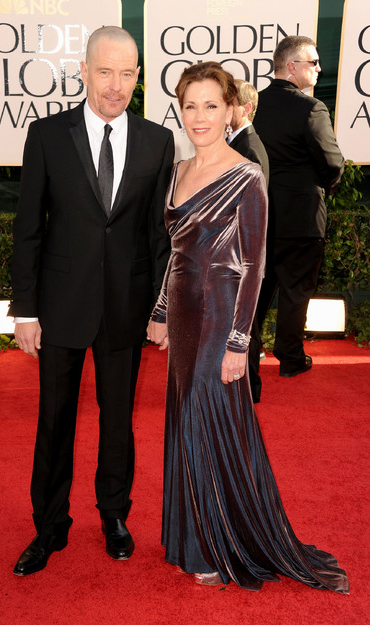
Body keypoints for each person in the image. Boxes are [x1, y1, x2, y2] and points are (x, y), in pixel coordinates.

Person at [147, 61, 349, 593]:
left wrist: (240, 343)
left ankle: (220, 543)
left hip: (221, 315)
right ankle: (192, 536)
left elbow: (254, 266)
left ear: (231, 109)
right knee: (185, 419)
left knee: (207, 416)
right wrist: (162, 311)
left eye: (211, 105)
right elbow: (177, 251)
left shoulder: (245, 175)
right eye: (190, 106)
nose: (199, 116)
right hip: (184, 315)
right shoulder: (178, 170)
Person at [9, 26, 174, 576]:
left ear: (137, 76)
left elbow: (159, 235)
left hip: (126, 305)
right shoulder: (47, 135)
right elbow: (28, 228)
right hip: (60, 305)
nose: (115, 85)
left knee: (118, 419)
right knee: (53, 420)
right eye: (105, 71)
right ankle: (49, 526)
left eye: (126, 73)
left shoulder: (157, 141)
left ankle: (114, 515)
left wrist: (159, 309)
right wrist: (25, 309)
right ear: (83, 71)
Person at [252, 35, 344, 384]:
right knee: (296, 291)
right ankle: (290, 358)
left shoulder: (253, 106)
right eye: (313, 62)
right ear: (292, 67)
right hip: (301, 218)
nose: (319, 69)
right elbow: (332, 163)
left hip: (259, 215)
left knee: (256, 292)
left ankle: (247, 355)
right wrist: (323, 185)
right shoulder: (311, 108)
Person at [227, 79, 269, 402]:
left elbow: (251, 213)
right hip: (236, 254)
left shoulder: (249, 149)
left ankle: (250, 388)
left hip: (242, 255)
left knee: (246, 325)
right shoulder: (238, 143)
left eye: (229, 103)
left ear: (245, 108)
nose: (223, 108)